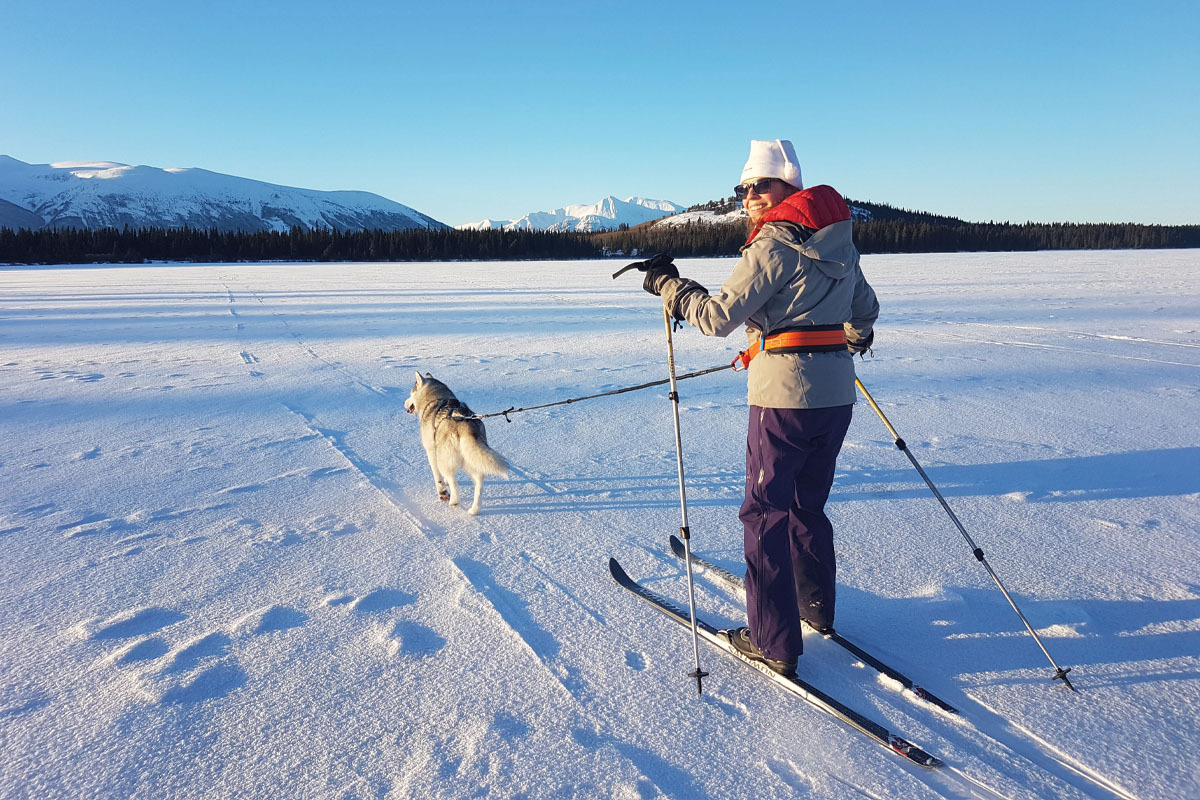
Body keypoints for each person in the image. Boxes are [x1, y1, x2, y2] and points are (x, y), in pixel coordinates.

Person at [641, 139, 878, 676]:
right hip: (836, 395)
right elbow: (865, 310)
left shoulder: (773, 244)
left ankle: (773, 641)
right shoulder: (840, 242)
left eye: (759, 185)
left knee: (765, 512)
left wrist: (670, 286)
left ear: (788, 187)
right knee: (806, 506)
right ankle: (815, 610)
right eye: (743, 187)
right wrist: (846, 339)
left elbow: (718, 317)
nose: (749, 195)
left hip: (781, 401)